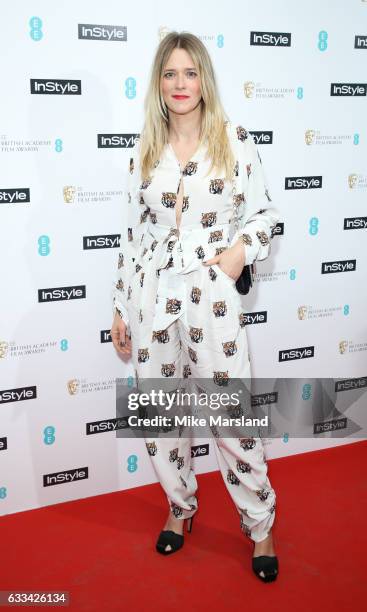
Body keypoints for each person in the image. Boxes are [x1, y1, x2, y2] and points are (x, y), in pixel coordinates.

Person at [110, 31, 280, 583]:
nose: (180, 84)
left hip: (211, 299)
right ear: (158, 84)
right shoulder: (144, 148)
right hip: (152, 298)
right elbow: (131, 235)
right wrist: (119, 305)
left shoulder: (233, 138)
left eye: (189, 73)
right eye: (169, 74)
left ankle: (261, 525)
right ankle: (180, 509)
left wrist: (237, 255)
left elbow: (265, 214)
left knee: (230, 418)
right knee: (164, 415)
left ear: (204, 78)